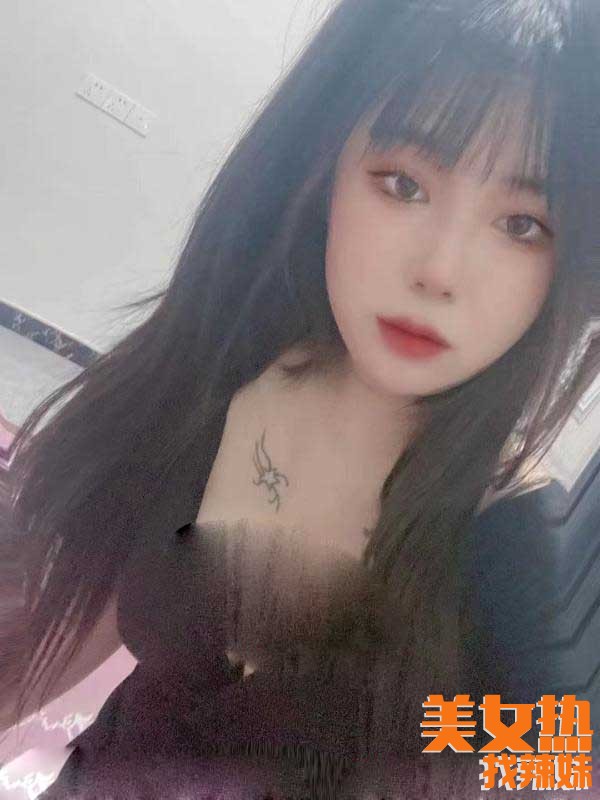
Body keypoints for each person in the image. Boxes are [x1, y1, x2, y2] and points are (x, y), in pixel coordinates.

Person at [2, 0, 600, 796]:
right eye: (403, 184)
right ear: (324, 169)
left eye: (523, 225)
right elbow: (67, 621)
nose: (440, 270)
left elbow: (553, 768)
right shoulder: (227, 373)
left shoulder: (508, 538)